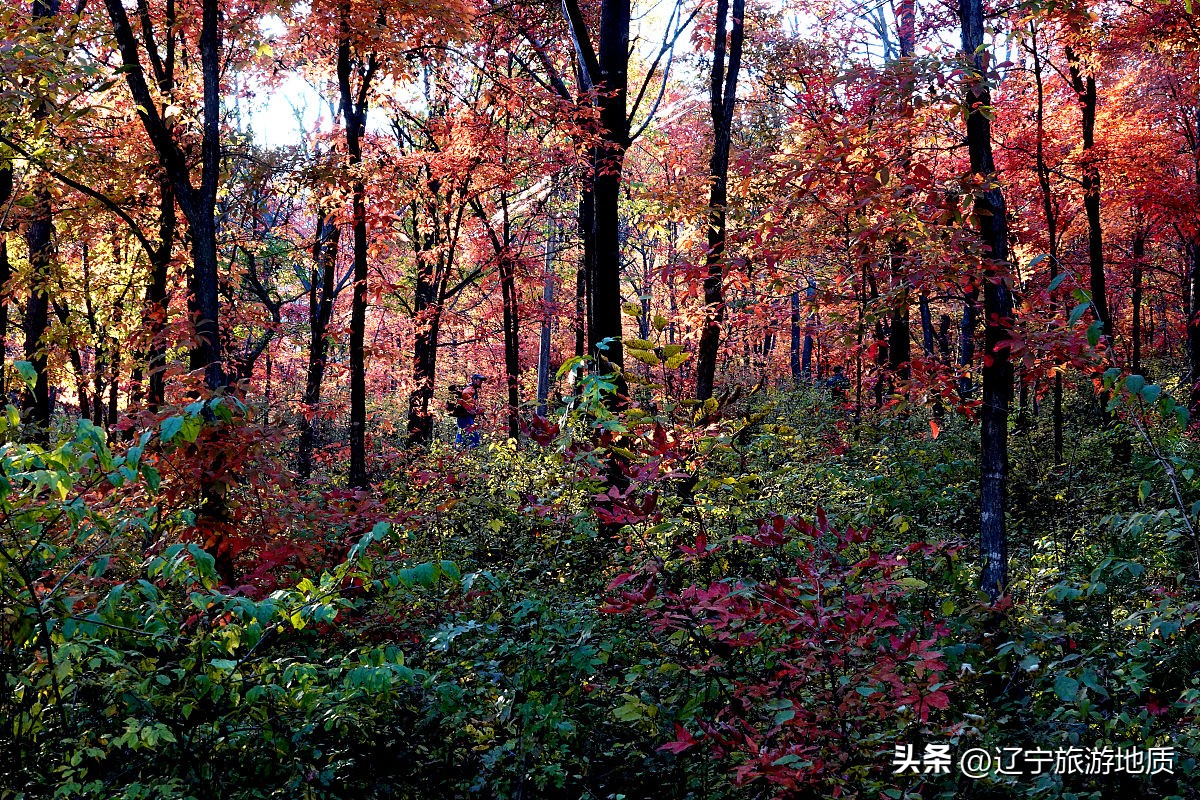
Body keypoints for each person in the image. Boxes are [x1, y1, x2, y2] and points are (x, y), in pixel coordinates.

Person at [455, 373, 487, 448]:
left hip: (463, 416)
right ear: (474, 380)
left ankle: (458, 449)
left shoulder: (472, 389)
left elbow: (471, 403)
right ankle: (467, 449)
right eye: (479, 380)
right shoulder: (469, 389)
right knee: (475, 439)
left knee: (461, 434)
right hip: (466, 416)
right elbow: (467, 402)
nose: (481, 382)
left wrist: (479, 411)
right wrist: (473, 410)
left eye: (482, 380)